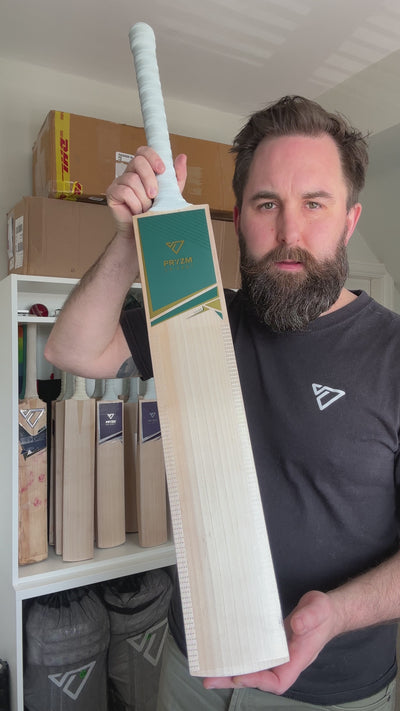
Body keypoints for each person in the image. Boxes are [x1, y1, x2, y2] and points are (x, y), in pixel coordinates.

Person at [45, 95, 400, 711]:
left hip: (330, 689)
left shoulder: (393, 353)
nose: (289, 233)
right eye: (267, 204)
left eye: (314, 204)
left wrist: (338, 613)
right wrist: (131, 239)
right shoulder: (202, 312)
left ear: (350, 220)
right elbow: (72, 349)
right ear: (238, 218)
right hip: (194, 662)